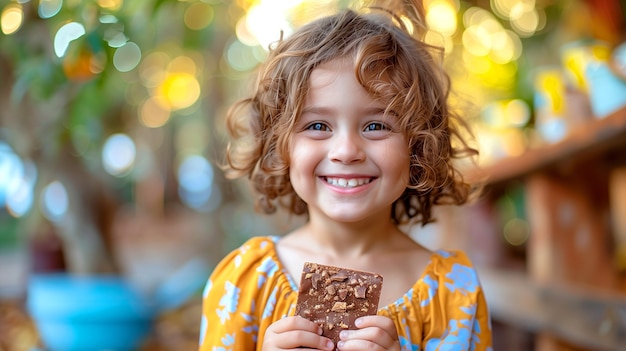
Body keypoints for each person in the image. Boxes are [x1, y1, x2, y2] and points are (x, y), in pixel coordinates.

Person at [199, 0, 492, 350]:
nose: (346, 150)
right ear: (281, 145)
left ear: (418, 146)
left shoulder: (454, 294)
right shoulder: (244, 283)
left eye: (375, 125)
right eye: (318, 125)